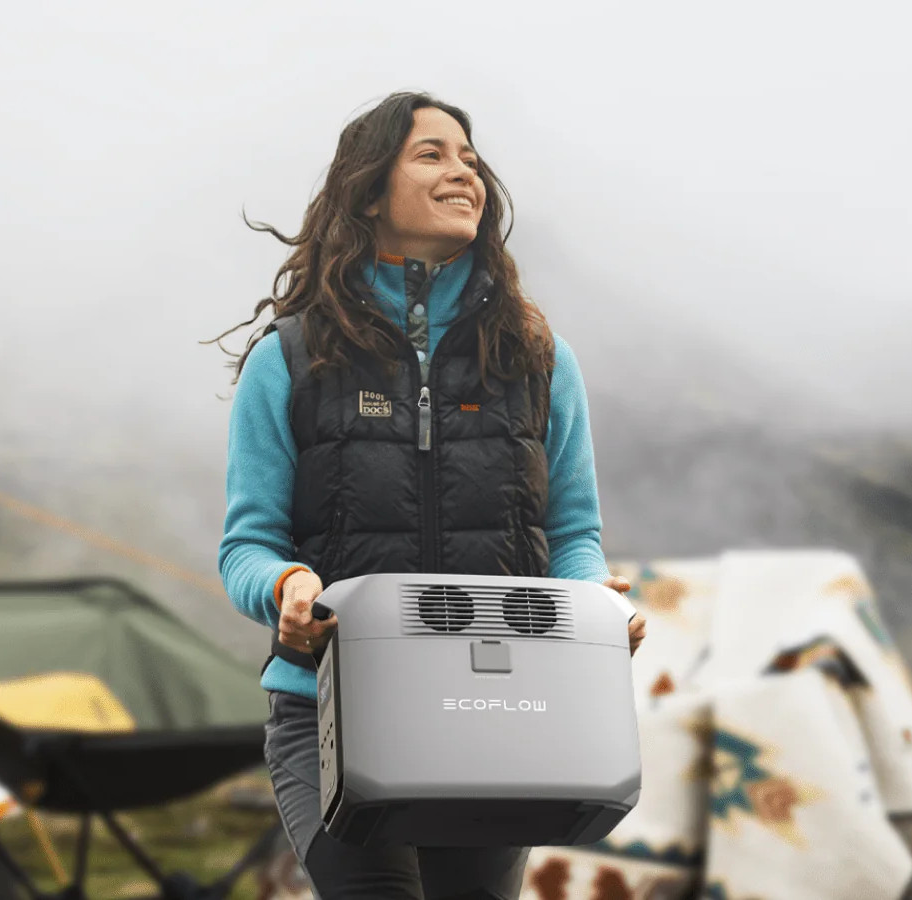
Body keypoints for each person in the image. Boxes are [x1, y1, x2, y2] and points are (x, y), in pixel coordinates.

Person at [212, 91, 647, 900]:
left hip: (502, 707)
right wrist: (287, 586)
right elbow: (247, 548)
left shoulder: (538, 357)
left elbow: (572, 534)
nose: (463, 173)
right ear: (370, 191)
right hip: (331, 710)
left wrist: (596, 599)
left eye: (471, 160)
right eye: (432, 155)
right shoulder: (291, 358)